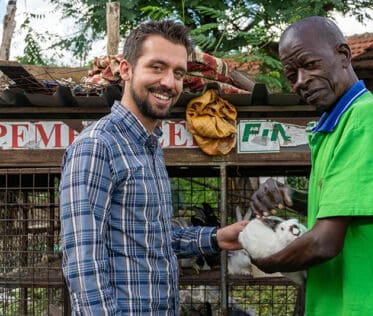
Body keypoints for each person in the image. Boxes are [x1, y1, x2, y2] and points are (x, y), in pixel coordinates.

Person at [249, 16, 373, 315]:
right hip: (342, 299)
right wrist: (290, 195)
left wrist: (265, 259)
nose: (300, 81)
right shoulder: (333, 128)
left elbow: (324, 243)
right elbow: (343, 206)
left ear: (343, 55)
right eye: (292, 74)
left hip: (367, 302)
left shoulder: (365, 119)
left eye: (310, 65)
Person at [60, 20, 248, 315]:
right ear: (126, 69)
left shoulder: (149, 148)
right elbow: (84, 263)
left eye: (178, 73)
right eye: (156, 67)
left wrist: (216, 237)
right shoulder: (98, 145)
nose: (169, 83)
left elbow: (155, 238)